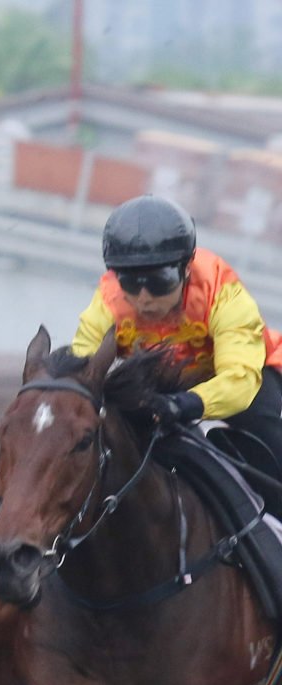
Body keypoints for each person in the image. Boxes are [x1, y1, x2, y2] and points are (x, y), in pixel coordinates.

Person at [74, 194, 282, 487]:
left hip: (244, 380)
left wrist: (185, 404)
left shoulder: (222, 291)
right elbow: (80, 367)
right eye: (130, 281)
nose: (143, 297)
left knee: (267, 438)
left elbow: (240, 380)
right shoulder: (108, 300)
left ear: (186, 268)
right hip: (166, 380)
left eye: (160, 280)